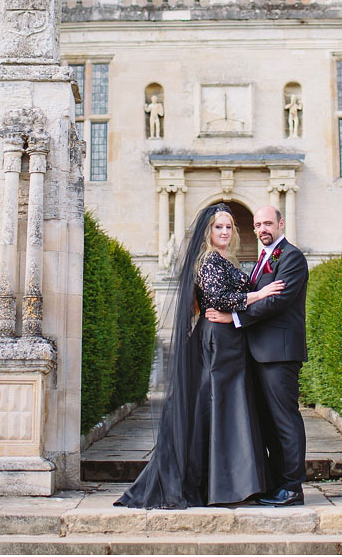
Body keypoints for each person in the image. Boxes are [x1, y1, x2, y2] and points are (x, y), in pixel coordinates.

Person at [116, 205, 284, 509]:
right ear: (208, 232)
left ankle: (235, 484)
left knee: (230, 406)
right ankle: (220, 486)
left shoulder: (225, 259)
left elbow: (224, 300)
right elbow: (218, 299)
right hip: (217, 341)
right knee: (220, 405)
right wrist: (259, 294)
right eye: (218, 227)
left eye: (228, 227)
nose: (224, 232)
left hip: (230, 339)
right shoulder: (208, 260)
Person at [205, 204, 309, 507]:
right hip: (257, 353)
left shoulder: (291, 257)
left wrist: (234, 318)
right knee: (266, 422)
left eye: (268, 224)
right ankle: (275, 482)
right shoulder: (264, 258)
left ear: (281, 224)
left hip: (279, 354)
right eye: (258, 225)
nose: (263, 229)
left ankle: (292, 487)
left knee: (285, 420)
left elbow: (277, 301)